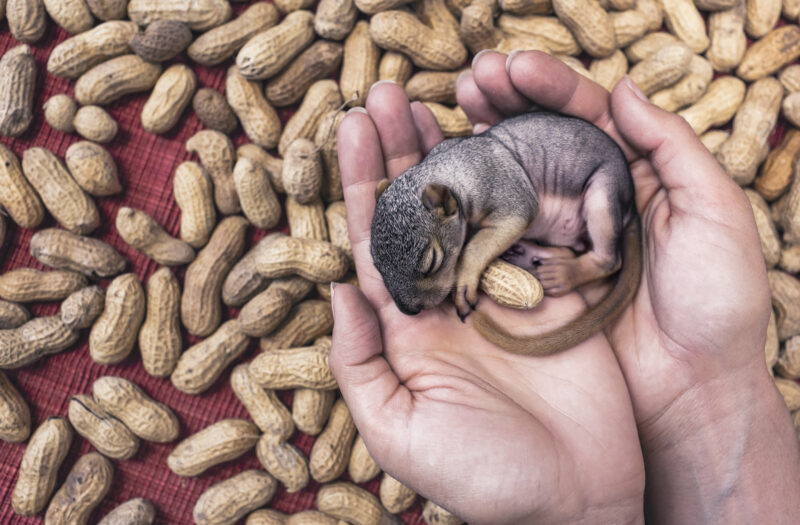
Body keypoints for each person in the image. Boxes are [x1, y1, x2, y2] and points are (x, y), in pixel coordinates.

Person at [329, 49, 800, 524]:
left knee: (601, 194)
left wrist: (471, 262)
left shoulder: (470, 174)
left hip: (588, 189)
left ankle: (596, 260)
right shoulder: (447, 194)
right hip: (545, 219)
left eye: (432, 265)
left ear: (445, 205)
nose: (419, 301)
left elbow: (519, 211)